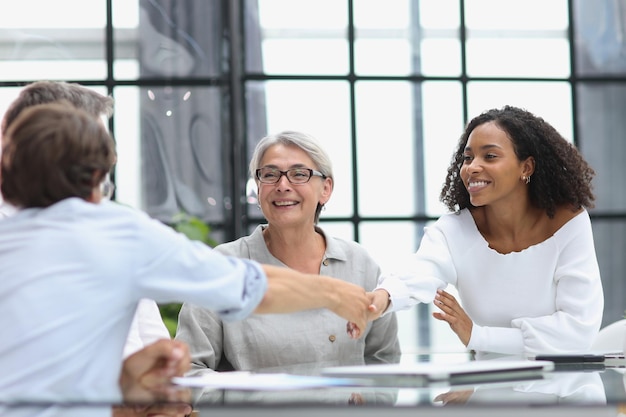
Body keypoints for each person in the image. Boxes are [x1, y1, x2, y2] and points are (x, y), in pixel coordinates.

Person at [0, 103, 372, 414]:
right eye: (270, 175)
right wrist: (335, 294)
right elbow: (247, 288)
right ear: (99, 174)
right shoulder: (114, 232)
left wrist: (128, 380)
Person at [367, 105, 604, 357]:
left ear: (526, 168)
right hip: (488, 388)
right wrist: (381, 298)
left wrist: (479, 336)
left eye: (489, 156)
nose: (472, 168)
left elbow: (578, 332)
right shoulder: (454, 230)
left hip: (566, 389)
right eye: (468, 158)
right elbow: (417, 274)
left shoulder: (568, 223)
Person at [175, 131, 400, 373]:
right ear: (258, 188)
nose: (283, 186)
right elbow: (189, 368)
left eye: (299, 175)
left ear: (326, 188)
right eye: (270, 175)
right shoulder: (224, 265)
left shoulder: (359, 263)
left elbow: (384, 360)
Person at [0, 80, 171, 358]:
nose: (109, 158)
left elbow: (154, 343)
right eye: (93, 146)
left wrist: (167, 391)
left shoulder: (113, 237)